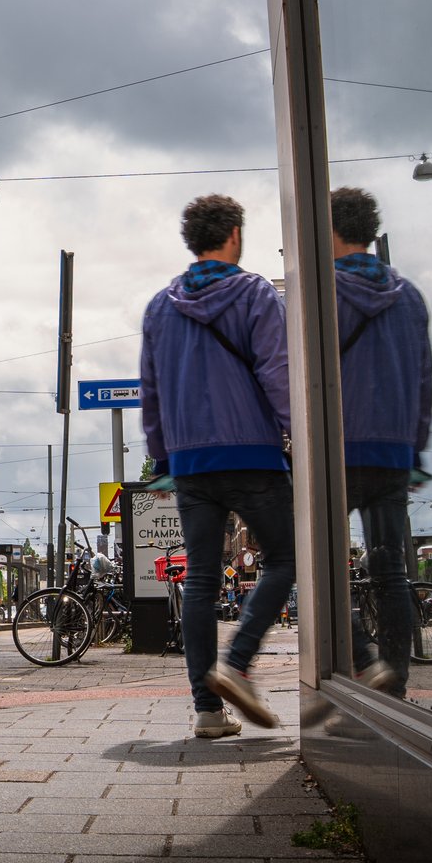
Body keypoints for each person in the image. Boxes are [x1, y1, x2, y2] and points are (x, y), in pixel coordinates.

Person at [139, 193, 295, 739]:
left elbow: (151, 392)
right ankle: (238, 662)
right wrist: (300, 434)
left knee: (201, 581)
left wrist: (163, 455)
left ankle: (208, 711)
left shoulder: (160, 307)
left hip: (190, 462)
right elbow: (278, 371)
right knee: (287, 558)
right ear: (233, 235)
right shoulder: (255, 294)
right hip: (252, 453)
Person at [329, 187, 432, 697]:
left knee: (315, 562)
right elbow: (424, 378)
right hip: (392, 451)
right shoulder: (408, 296)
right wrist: (415, 448)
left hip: (339, 448)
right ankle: (395, 680)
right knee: (390, 568)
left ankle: (361, 659)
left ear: (328, 229)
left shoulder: (322, 290)